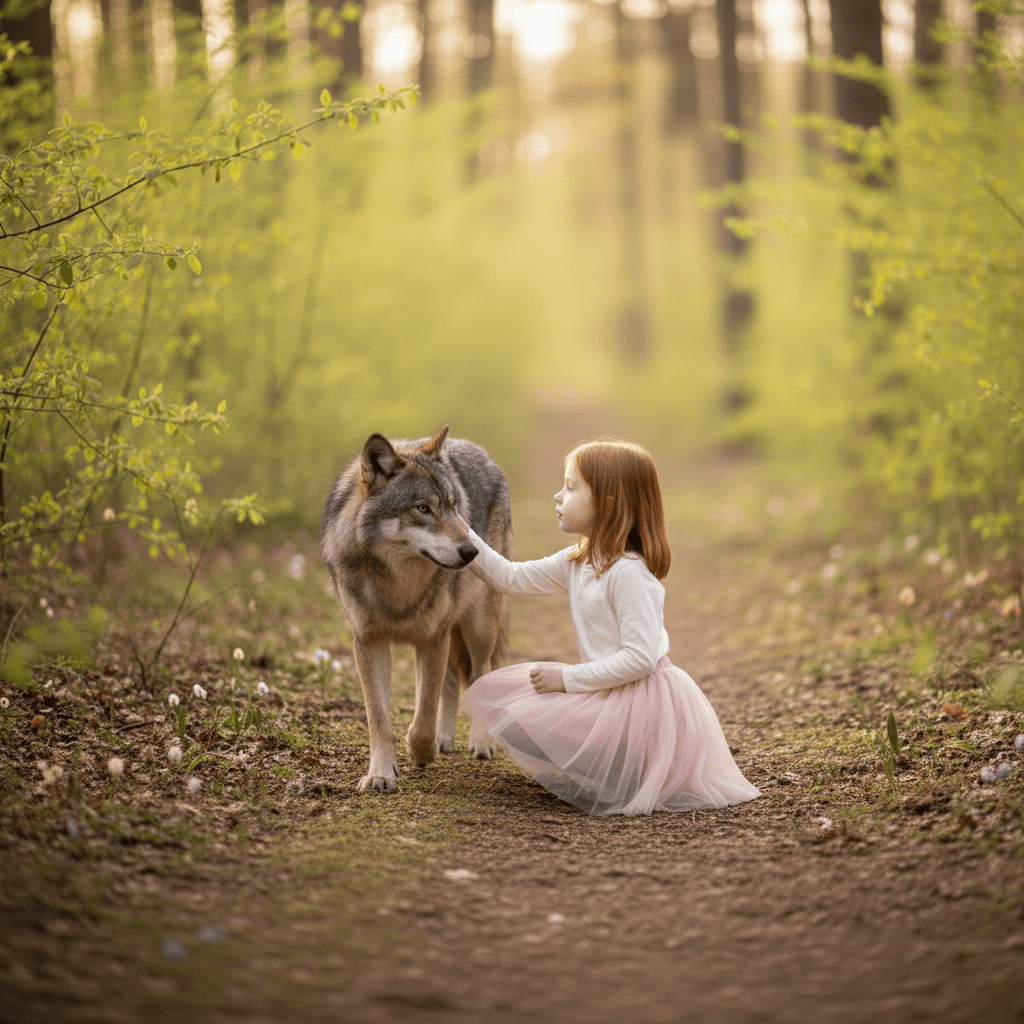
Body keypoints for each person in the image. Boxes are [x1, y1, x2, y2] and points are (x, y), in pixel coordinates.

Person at [459, 439, 760, 817]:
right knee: (504, 702)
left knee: (528, 708)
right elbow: (508, 577)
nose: (557, 496)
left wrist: (567, 678)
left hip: (641, 700)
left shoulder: (629, 574)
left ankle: (626, 771)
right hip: (603, 689)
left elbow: (640, 659)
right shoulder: (578, 561)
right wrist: (458, 529)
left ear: (607, 502)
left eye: (571, 488)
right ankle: (606, 769)